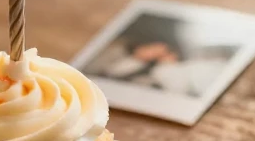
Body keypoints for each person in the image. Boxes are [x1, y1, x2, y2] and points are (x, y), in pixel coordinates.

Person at [96, 37, 233, 98]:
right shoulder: (119, 53)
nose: (156, 53)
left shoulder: (165, 70)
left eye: (162, 52)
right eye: (154, 49)